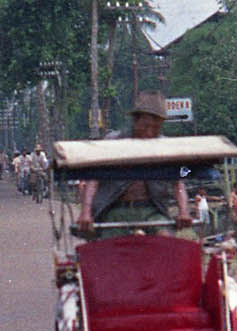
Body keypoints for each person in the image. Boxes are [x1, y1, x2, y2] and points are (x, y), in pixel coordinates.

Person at [77, 90, 193, 234]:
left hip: (152, 211)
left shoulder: (166, 147)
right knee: (109, 248)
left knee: (166, 239)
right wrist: (86, 212)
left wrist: (184, 211)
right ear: (135, 120)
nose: (149, 133)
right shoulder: (113, 142)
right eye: (145, 126)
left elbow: (178, 183)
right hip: (115, 211)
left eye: (155, 128)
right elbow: (93, 180)